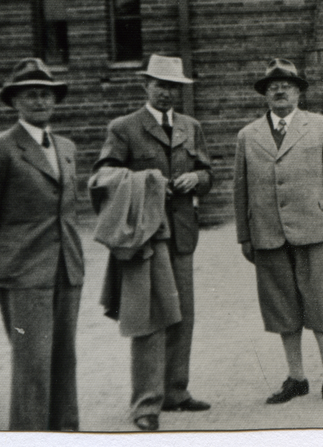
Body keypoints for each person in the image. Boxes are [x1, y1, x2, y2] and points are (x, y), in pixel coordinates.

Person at [93, 54, 214, 431]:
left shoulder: (190, 127)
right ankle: (146, 404)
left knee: (183, 315)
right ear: (145, 85)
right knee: (148, 319)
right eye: (160, 85)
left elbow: (208, 171)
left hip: (181, 234)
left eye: (173, 86)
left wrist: (197, 178)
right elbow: (102, 176)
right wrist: (148, 182)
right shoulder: (124, 128)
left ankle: (176, 391)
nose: (166, 92)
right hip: (144, 235)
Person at [0, 58, 83, 431]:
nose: (40, 102)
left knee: (64, 359)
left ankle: (65, 431)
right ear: (15, 102)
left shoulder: (65, 146)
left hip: (66, 267)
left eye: (46, 94)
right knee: (32, 364)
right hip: (23, 272)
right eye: (30, 95)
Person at [233, 58, 323, 407]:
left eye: (287, 84)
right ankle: (296, 377)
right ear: (264, 95)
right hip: (268, 235)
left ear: (299, 91)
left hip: (316, 231)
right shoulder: (248, 135)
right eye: (272, 86)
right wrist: (245, 235)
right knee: (282, 309)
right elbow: (239, 189)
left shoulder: (320, 127)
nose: (279, 90)